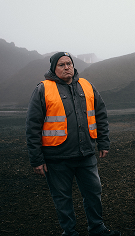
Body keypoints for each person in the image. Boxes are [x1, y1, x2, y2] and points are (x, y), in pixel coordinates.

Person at [26, 52, 120, 236]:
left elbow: (100, 114)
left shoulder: (86, 86)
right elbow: (33, 125)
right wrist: (36, 159)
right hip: (56, 158)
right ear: (54, 68)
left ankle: (97, 228)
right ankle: (69, 232)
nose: (67, 67)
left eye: (69, 63)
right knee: (62, 198)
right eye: (61, 65)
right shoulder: (43, 89)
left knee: (93, 193)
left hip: (86, 155)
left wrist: (104, 142)